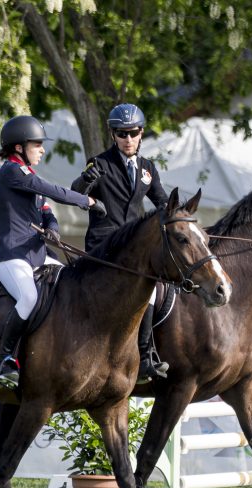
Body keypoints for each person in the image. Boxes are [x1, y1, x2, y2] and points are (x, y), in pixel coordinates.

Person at [0, 115, 106, 391]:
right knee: (28, 297)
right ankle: (4, 361)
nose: (42, 149)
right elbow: (53, 192)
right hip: (11, 255)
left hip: (36, 255)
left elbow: (45, 210)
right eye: (37, 144)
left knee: (72, 281)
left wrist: (52, 228)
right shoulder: (11, 172)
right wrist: (87, 201)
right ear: (19, 147)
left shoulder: (28, 176)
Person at [70, 103, 170, 383]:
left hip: (135, 249)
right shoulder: (99, 163)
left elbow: (162, 202)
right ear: (113, 135)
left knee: (152, 288)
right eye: (122, 134)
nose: (128, 139)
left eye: (133, 133)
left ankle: (146, 355)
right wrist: (84, 181)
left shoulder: (148, 168)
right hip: (105, 247)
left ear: (141, 134)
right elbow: (76, 193)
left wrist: (181, 216)